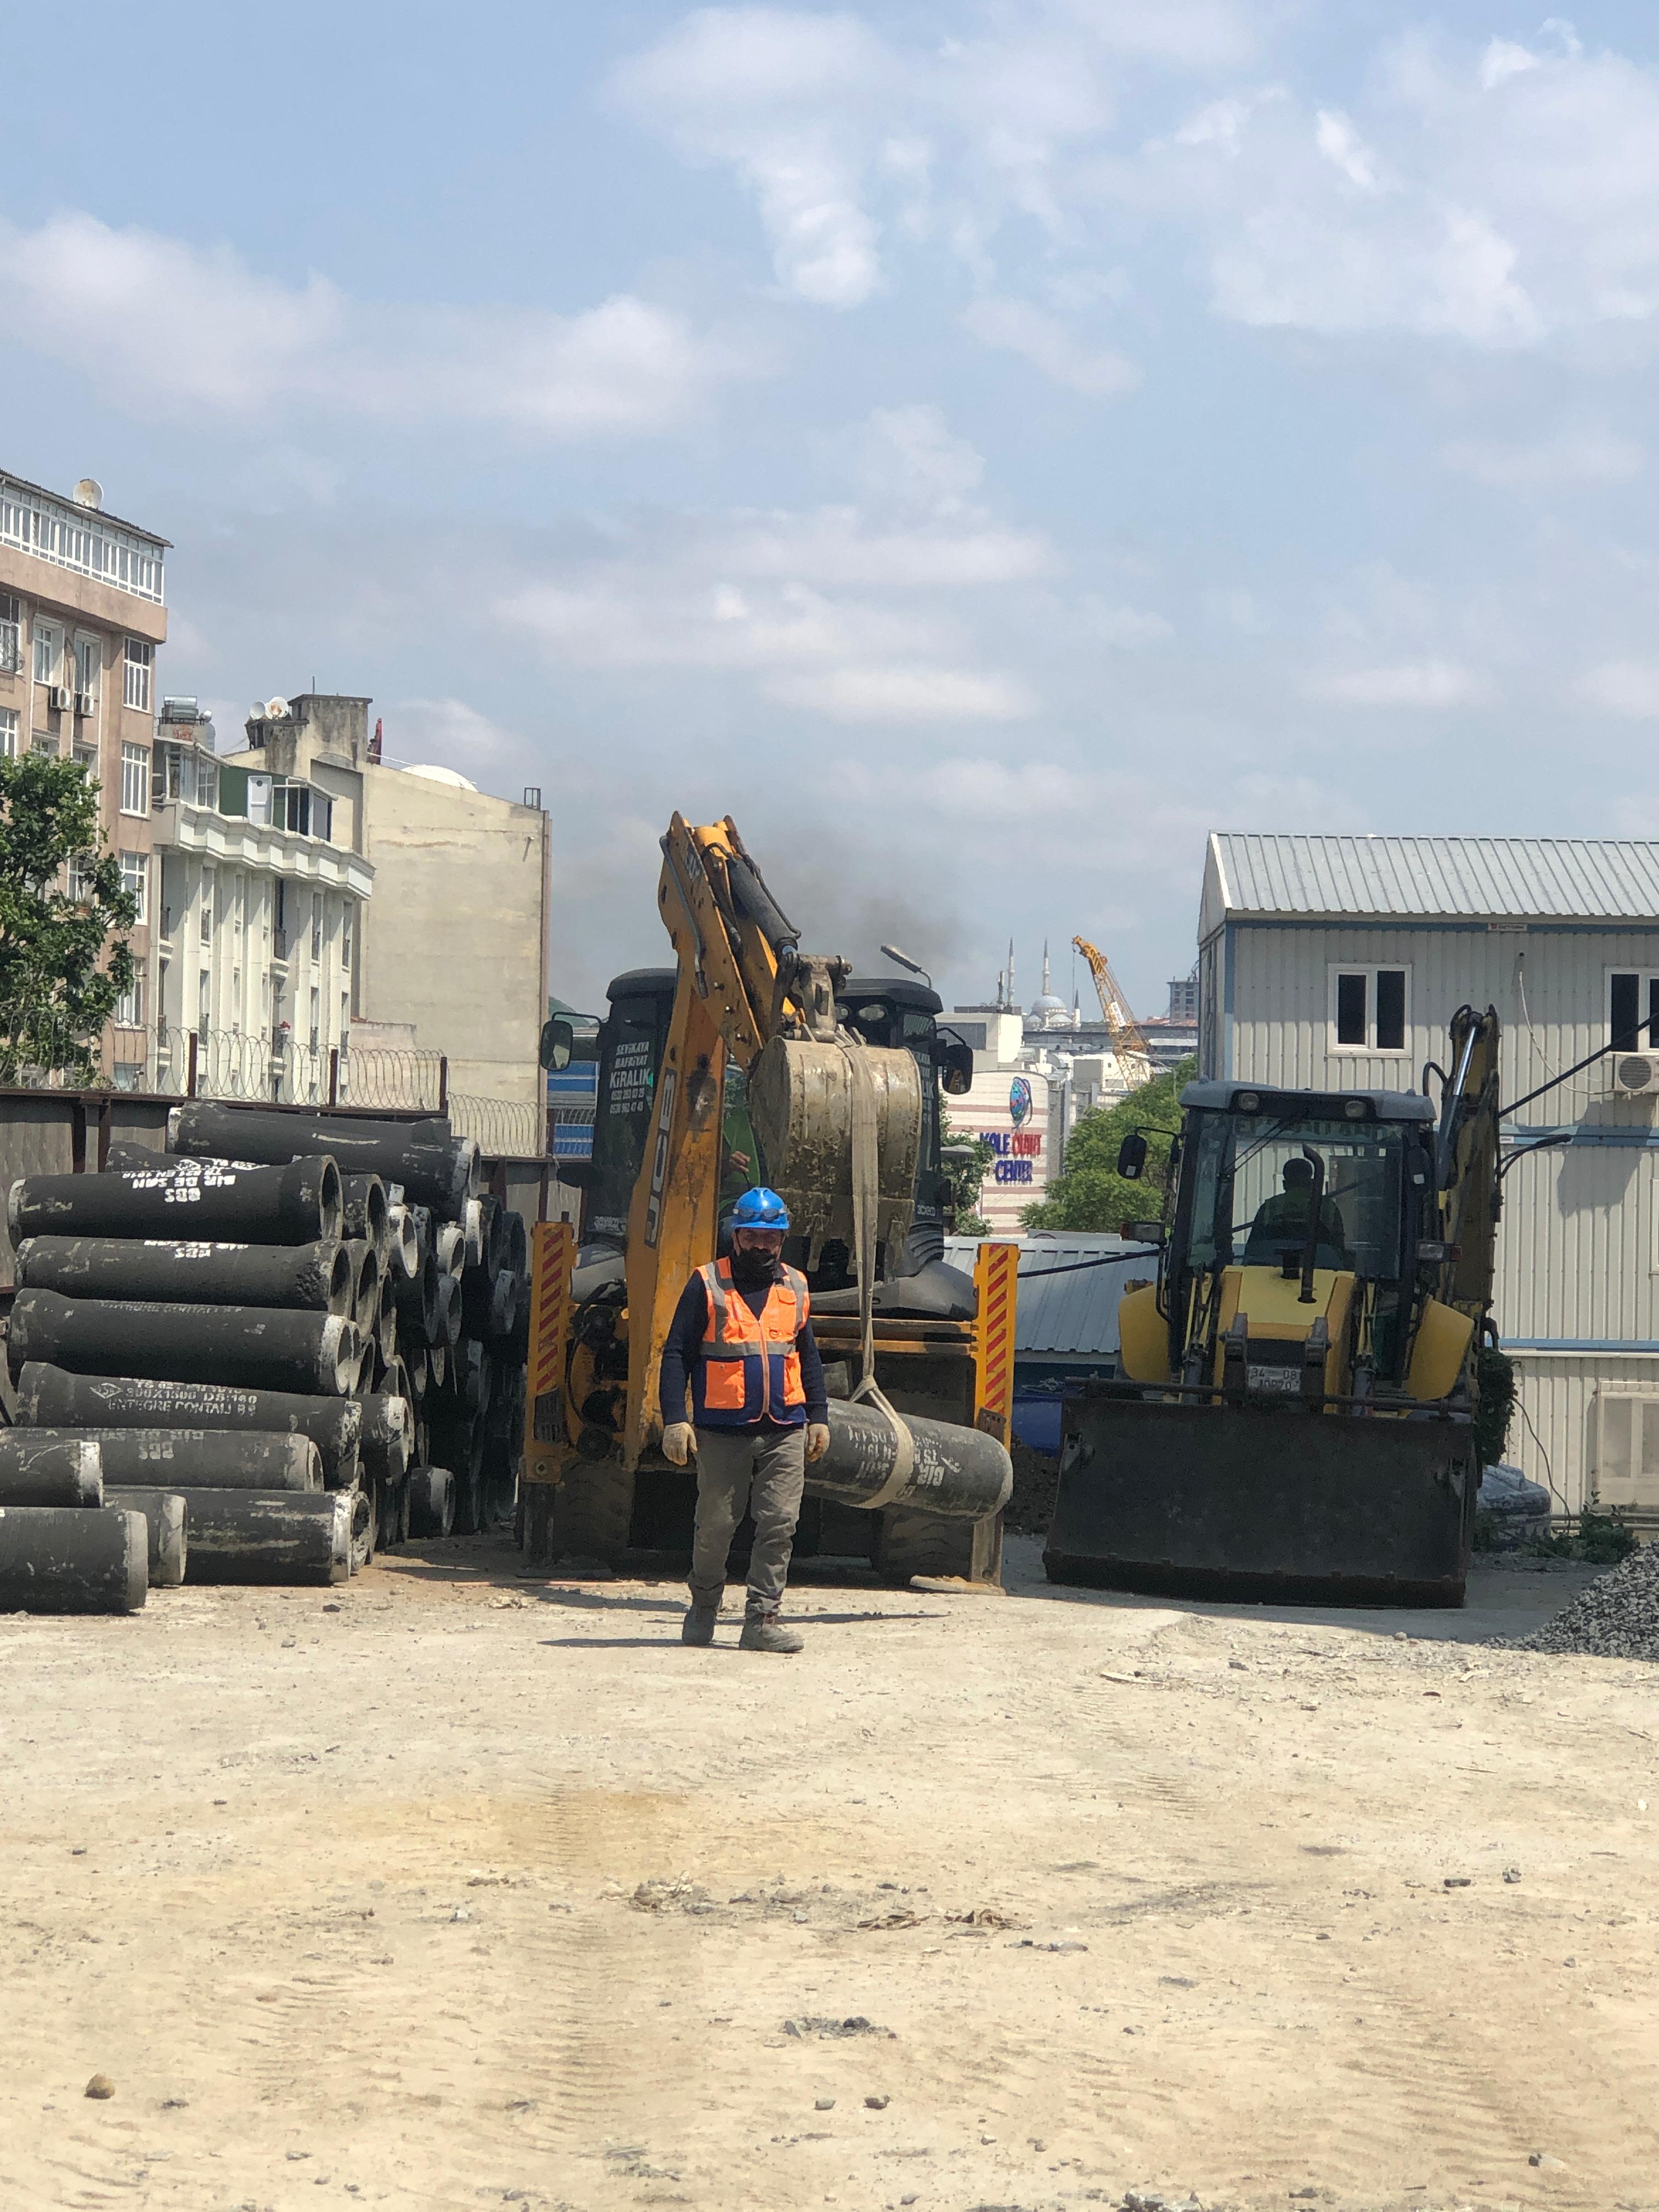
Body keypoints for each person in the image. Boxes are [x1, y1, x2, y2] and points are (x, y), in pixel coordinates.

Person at [657, 1187, 830, 1654]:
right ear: (736, 1236)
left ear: (782, 1240)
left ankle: (762, 1620)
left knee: (780, 1523)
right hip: (723, 1428)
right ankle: (704, 1606)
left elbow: (807, 1353)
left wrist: (818, 1415)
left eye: (770, 1238)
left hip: (785, 1425)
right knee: (716, 1526)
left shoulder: (796, 1286)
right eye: (751, 1236)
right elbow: (676, 1353)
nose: (760, 1246)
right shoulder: (707, 1283)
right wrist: (675, 1419)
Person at [1245, 1155, 1351, 1264]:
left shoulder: (1270, 1207)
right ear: (1312, 1182)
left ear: (1285, 1184)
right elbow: (1339, 1250)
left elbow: (1253, 1251)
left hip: (1270, 1270)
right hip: (1323, 1271)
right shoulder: (1328, 1207)